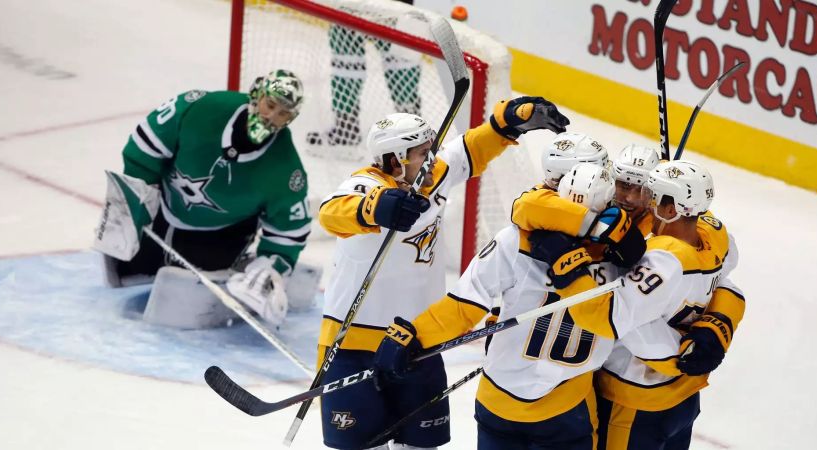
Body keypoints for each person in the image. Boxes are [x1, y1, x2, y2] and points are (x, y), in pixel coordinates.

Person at [316, 96, 571, 450]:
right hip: (353, 344)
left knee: (423, 445)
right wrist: (377, 208)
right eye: (422, 152)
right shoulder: (366, 186)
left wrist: (508, 121)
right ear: (394, 160)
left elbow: (469, 149)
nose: (431, 157)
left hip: (415, 339)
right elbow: (332, 212)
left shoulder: (431, 174)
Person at [371, 162, 677, 449]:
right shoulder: (627, 261)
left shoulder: (517, 240)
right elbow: (642, 324)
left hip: (509, 401)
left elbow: (464, 305)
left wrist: (414, 336)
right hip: (568, 406)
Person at [93, 69, 320, 329]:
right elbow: (146, 145)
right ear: (256, 95)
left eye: (283, 114)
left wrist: (272, 266)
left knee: (177, 304)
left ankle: (245, 268)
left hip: (220, 236)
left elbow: (290, 229)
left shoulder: (287, 170)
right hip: (161, 212)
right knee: (122, 272)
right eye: (270, 105)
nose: (271, 118)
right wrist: (134, 198)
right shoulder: (201, 108)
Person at [560, 160, 746, 450]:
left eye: (654, 197)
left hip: (635, 404)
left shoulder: (662, 261)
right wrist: (717, 327)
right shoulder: (716, 241)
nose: (646, 203)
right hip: (684, 401)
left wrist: (573, 273)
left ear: (671, 210)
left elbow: (611, 318)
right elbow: (729, 287)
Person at [307, 0, 421, 148]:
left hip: (395, 9)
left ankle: (411, 127)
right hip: (352, 6)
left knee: (400, 60)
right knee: (347, 61)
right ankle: (346, 127)